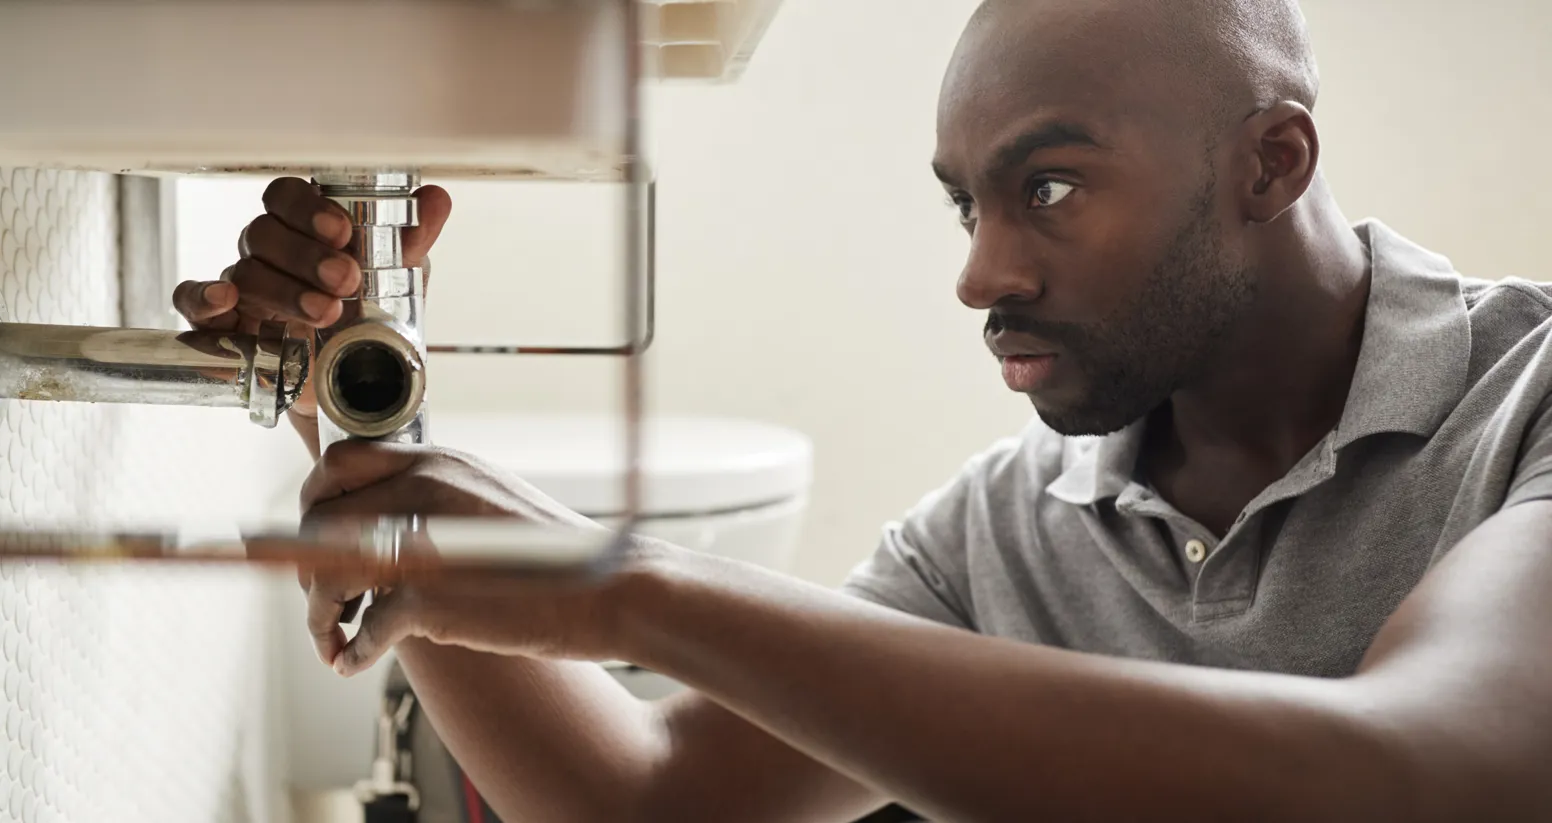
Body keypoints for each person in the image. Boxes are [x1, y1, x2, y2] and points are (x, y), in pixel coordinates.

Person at [174, 0, 1552, 818]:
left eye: (1050, 187)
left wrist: (627, 591)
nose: (982, 273)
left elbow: (1430, 780)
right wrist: (359, 408)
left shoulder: (1529, 401)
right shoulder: (1006, 532)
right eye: (968, 205)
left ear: (1271, 161)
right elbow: (644, 803)